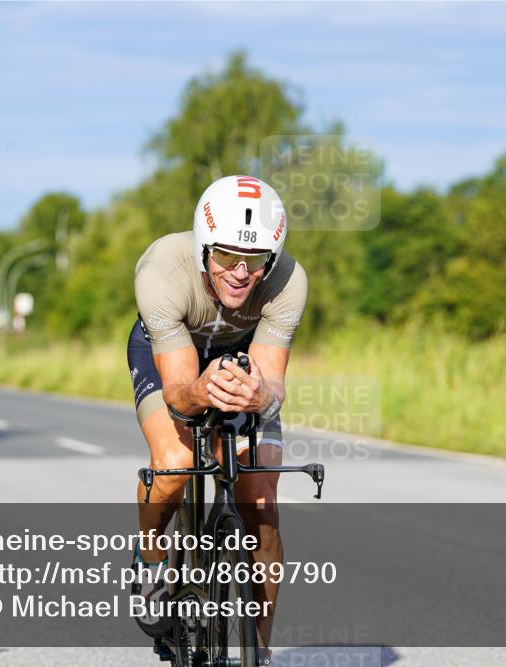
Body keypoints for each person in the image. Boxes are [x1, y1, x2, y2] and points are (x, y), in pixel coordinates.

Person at [128, 175, 306, 660]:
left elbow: (273, 389)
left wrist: (257, 396)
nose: (241, 273)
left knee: (262, 502)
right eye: (227, 256)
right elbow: (181, 398)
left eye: (255, 261)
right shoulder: (162, 270)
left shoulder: (288, 280)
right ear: (204, 245)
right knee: (171, 466)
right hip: (173, 355)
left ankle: (260, 651)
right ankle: (149, 559)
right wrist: (203, 389)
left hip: (243, 358)